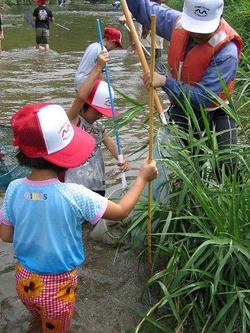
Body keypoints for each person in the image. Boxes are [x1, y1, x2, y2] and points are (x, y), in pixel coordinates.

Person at [0, 52, 158, 333]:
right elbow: (121, 212)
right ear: (63, 154)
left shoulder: (13, 188)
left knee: (37, 319)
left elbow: (7, 236)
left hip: (24, 281)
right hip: (58, 287)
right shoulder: (74, 194)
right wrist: (142, 179)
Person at [126, 0, 243, 178]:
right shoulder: (177, 23)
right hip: (183, 106)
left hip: (217, 108)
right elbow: (144, 10)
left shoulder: (227, 52)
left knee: (228, 164)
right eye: (193, 27)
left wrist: (165, 82)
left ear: (218, 18)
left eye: (202, 30)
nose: (197, 33)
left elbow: (204, 97)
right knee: (185, 164)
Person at [65, 78, 128, 197]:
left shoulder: (99, 127)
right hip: (75, 184)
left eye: (103, 112)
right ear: (84, 105)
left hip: (96, 183)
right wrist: (97, 67)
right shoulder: (74, 122)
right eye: (97, 111)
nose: (100, 115)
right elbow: (79, 98)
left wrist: (122, 159)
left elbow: (111, 145)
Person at [75, 26, 123, 90]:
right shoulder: (103, 52)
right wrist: (104, 89)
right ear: (113, 42)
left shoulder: (93, 45)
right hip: (88, 82)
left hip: (78, 80)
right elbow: (100, 74)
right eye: (116, 45)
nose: (114, 48)